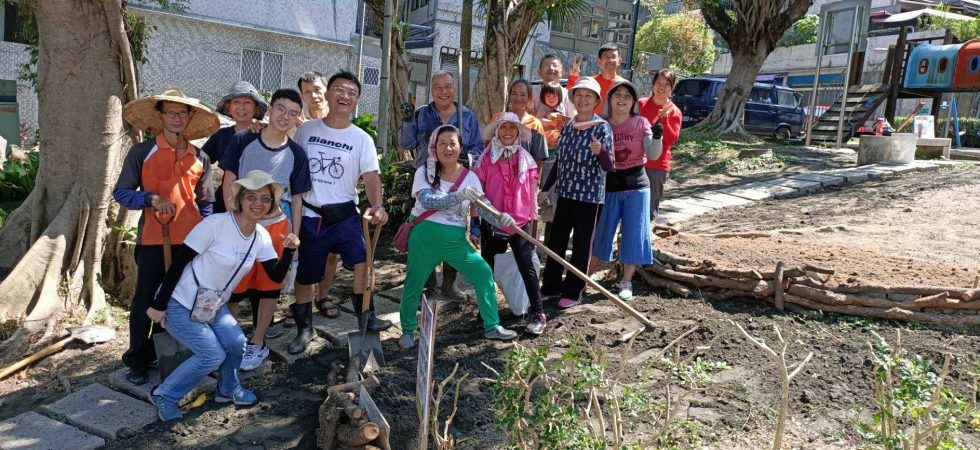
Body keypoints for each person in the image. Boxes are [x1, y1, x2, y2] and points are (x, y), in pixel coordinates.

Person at [145, 170, 299, 421]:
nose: (258, 204)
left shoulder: (261, 236)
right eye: (252, 197)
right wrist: (159, 305)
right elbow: (178, 263)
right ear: (240, 200)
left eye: (265, 199)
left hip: (210, 304)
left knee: (236, 342)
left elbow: (275, 275)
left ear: (272, 205)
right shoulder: (215, 225)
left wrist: (290, 251)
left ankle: (228, 389)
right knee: (211, 354)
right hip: (179, 301)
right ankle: (165, 393)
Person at [114, 89, 220, 386]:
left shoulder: (201, 156)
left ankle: (164, 356)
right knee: (145, 301)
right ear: (159, 116)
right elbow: (121, 193)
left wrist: (209, 239)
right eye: (170, 112)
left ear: (190, 118)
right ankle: (136, 359)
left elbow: (207, 203)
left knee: (177, 301)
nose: (176, 118)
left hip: (191, 244)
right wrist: (150, 198)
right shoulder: (141, 152)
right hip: (152, 240)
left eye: (182, 113)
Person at [289, 70, 391, 355]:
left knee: (362, 264)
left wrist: (378, 205)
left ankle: (365, 317)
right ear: (328, 93)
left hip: (346, 216)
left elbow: (371, 176)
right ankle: (304, 328)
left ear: (357, 101)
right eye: (339, 90)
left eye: (351, 92)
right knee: (307, 276)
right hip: (312, 216)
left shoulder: (361, 139)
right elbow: (293, 169)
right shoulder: (307, 131)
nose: (345, 95)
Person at [398, 125, 519, 348]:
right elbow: (428, 201)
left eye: (452, 143)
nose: (448, 148)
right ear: (434, 147)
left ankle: (492, 326)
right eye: (442, 143)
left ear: (460, 147)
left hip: (455, 240)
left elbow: (483, 207)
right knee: (414, 283)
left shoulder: (469, 177)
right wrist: (458, 196)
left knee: (483, 272)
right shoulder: (424, 171)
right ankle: (407, 330)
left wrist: (502, 217)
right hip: (424, 236)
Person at [218, 88, 311, 370]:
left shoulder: (296, 153)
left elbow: (297, 198)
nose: (286, 116)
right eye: (281, 109)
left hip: (276, 228)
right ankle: (228, 341)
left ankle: (258, 341)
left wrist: (294, 236)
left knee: (269, 287)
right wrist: (232, 217)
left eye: (293, 113)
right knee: (234, 286)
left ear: (297, 119)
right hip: (241, 224)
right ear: (270, 109)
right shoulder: (243, 140)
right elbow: (228, 179)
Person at [399, 70, 483, 301]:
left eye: (448, 86)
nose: (443, 92)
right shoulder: (422, 115)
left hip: (456, 180)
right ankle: (426, 285)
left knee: (454, 231)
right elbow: (406, 142)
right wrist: (406, 121)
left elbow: (478, 147)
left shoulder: (467, 116)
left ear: (454, 89)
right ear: (432, 90)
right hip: (426, 179)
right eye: (438, 87)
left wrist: (470, 159)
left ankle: (449, 284)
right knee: (423, 231)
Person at [538, 77, 614, 309]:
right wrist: (544, 189)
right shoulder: (569, 126)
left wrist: (600, 151)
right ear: (573, 99)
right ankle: (550, 286)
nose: (582, 100)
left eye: (588, 96)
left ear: (596, 101)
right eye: (579, 95)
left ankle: (574, 290)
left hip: (589, 198)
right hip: (566, 194)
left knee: (581, 245)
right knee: (556, 241)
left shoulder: (602, 128)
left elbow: (609, 166)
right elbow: (560, 162)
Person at [473, 113, 546, 335]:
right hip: (492, 221)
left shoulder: (526, 160)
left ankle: (538, 312)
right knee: (486, 269)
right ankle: (486, 311)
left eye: (512, 128)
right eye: (503, 127)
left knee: (527, 266)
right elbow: (477, 193)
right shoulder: (486, 159)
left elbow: (532, 195)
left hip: (519, 222)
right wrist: (475, 223)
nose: (507, 132)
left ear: (518, 133)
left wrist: (533, 224)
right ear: (496, 131)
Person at [589, 81, 660, 300]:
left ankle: (626, 281)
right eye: (617, 94)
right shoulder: (601, 125)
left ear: (633, 102)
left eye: (627, 96)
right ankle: (585, 277)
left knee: (634, 233)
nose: (622, 99)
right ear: (609, 100)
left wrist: (657, 137)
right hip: (609, 186)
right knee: (601, 232)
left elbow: (654, 154)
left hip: (637, 186)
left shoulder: (641, 123)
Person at [205, 81, 269, 214]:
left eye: (247, 102)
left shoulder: (265, 134)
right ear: (229, 106)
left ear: (255, 107)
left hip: (258, 203)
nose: (241, 107)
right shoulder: (221, 135)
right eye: (236, 102)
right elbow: (200, 162)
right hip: (226, 201)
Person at [638, 69, 682, 221]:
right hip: (635, 162)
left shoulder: (674, 111)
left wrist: (664, 121)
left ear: (672, 87)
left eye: (666, 84)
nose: (661, 88)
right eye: (658, 83)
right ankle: (624, 241)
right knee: (630, 205)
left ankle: (643, 242)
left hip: (657, 166)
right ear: (653, 85)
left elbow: (671, 140)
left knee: (648, 208)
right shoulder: (640, 104)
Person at [491, 79, 548, 167]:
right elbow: (488, 149)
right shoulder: (498, 119)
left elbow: (538, 159)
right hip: (498, 176)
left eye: (522, 95)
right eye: (514, 94)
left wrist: (536, 180)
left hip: (524, 178)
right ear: (509, 96)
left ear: (529, 98)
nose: (518, 98)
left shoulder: (535, 124)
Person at [566, 43, 628, 114]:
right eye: (606, 56)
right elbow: (569, 97)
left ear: (619, 61)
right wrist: (573, 77)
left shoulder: (624, 84)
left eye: (613, 56)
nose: (609, 60)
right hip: (591, 124)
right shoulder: (591, 82)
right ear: (599, 61)